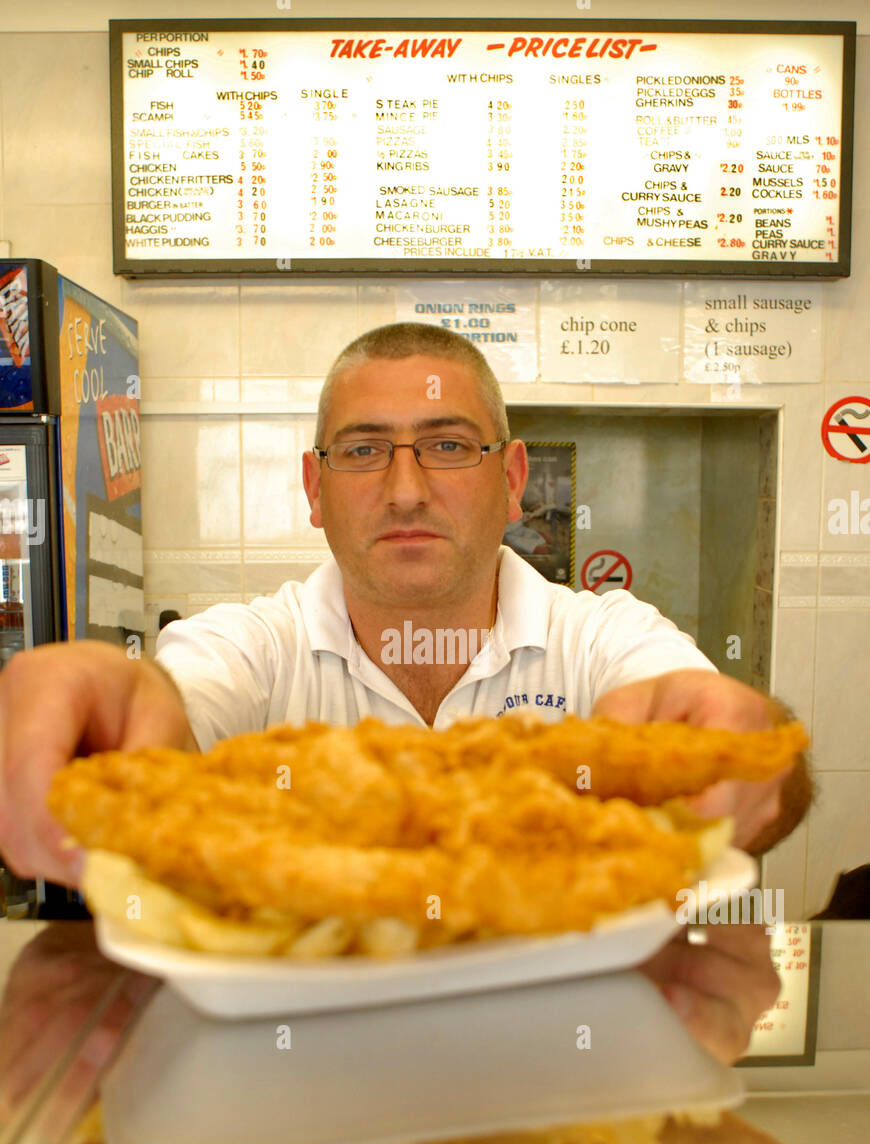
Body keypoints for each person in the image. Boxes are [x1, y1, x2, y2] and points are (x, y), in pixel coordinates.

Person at [0, 323, 812, 1063]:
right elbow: (170, 709)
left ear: (515, 479)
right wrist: (108, 720)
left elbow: (733, 747)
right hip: (291, 1082)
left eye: (449, 446)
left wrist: (745, 753)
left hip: (565, 1067)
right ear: (314, 491)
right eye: (361, 451)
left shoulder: (603, 638)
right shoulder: (255, 646)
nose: (405, 489)